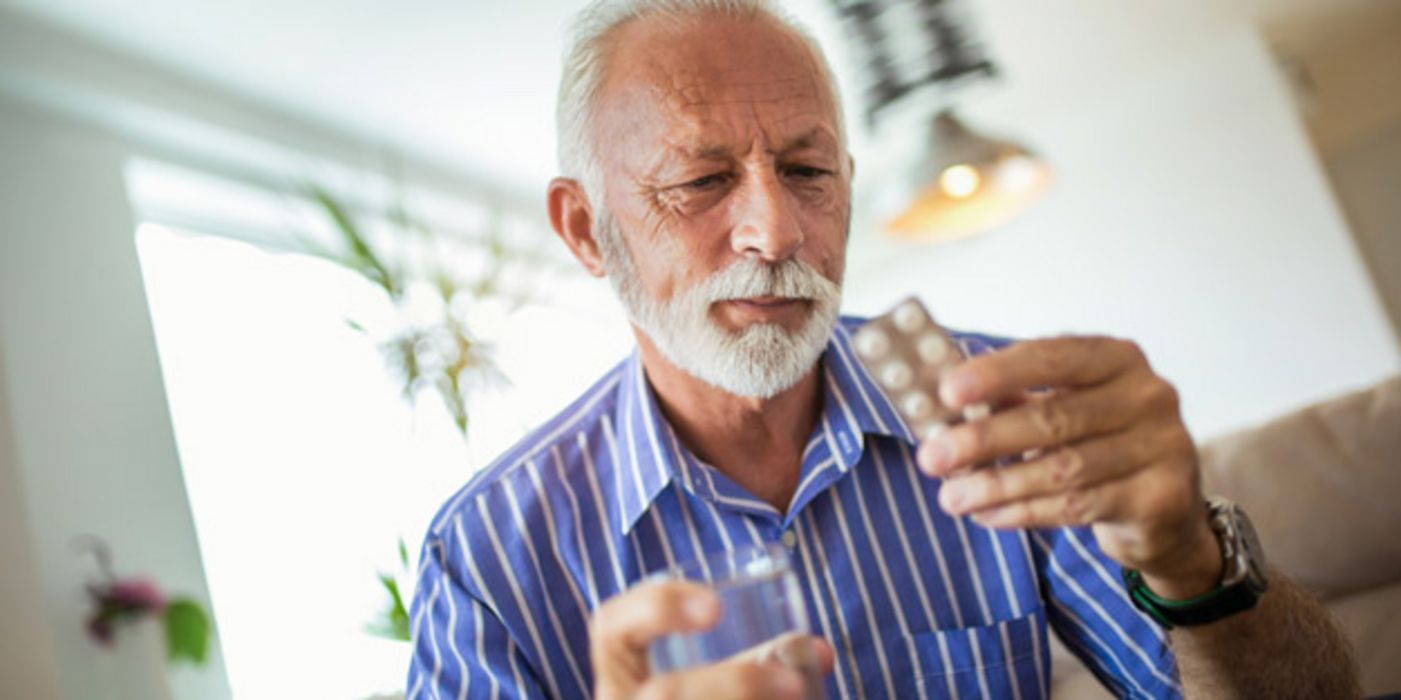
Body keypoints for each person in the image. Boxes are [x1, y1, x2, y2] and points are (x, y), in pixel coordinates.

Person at [407, 1, 1359, 698]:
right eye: (700, 179)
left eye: (806, 170)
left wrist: (1189, 558)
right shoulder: (486, 560)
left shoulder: (1000, 414)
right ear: (584, 230)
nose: (774, 233)